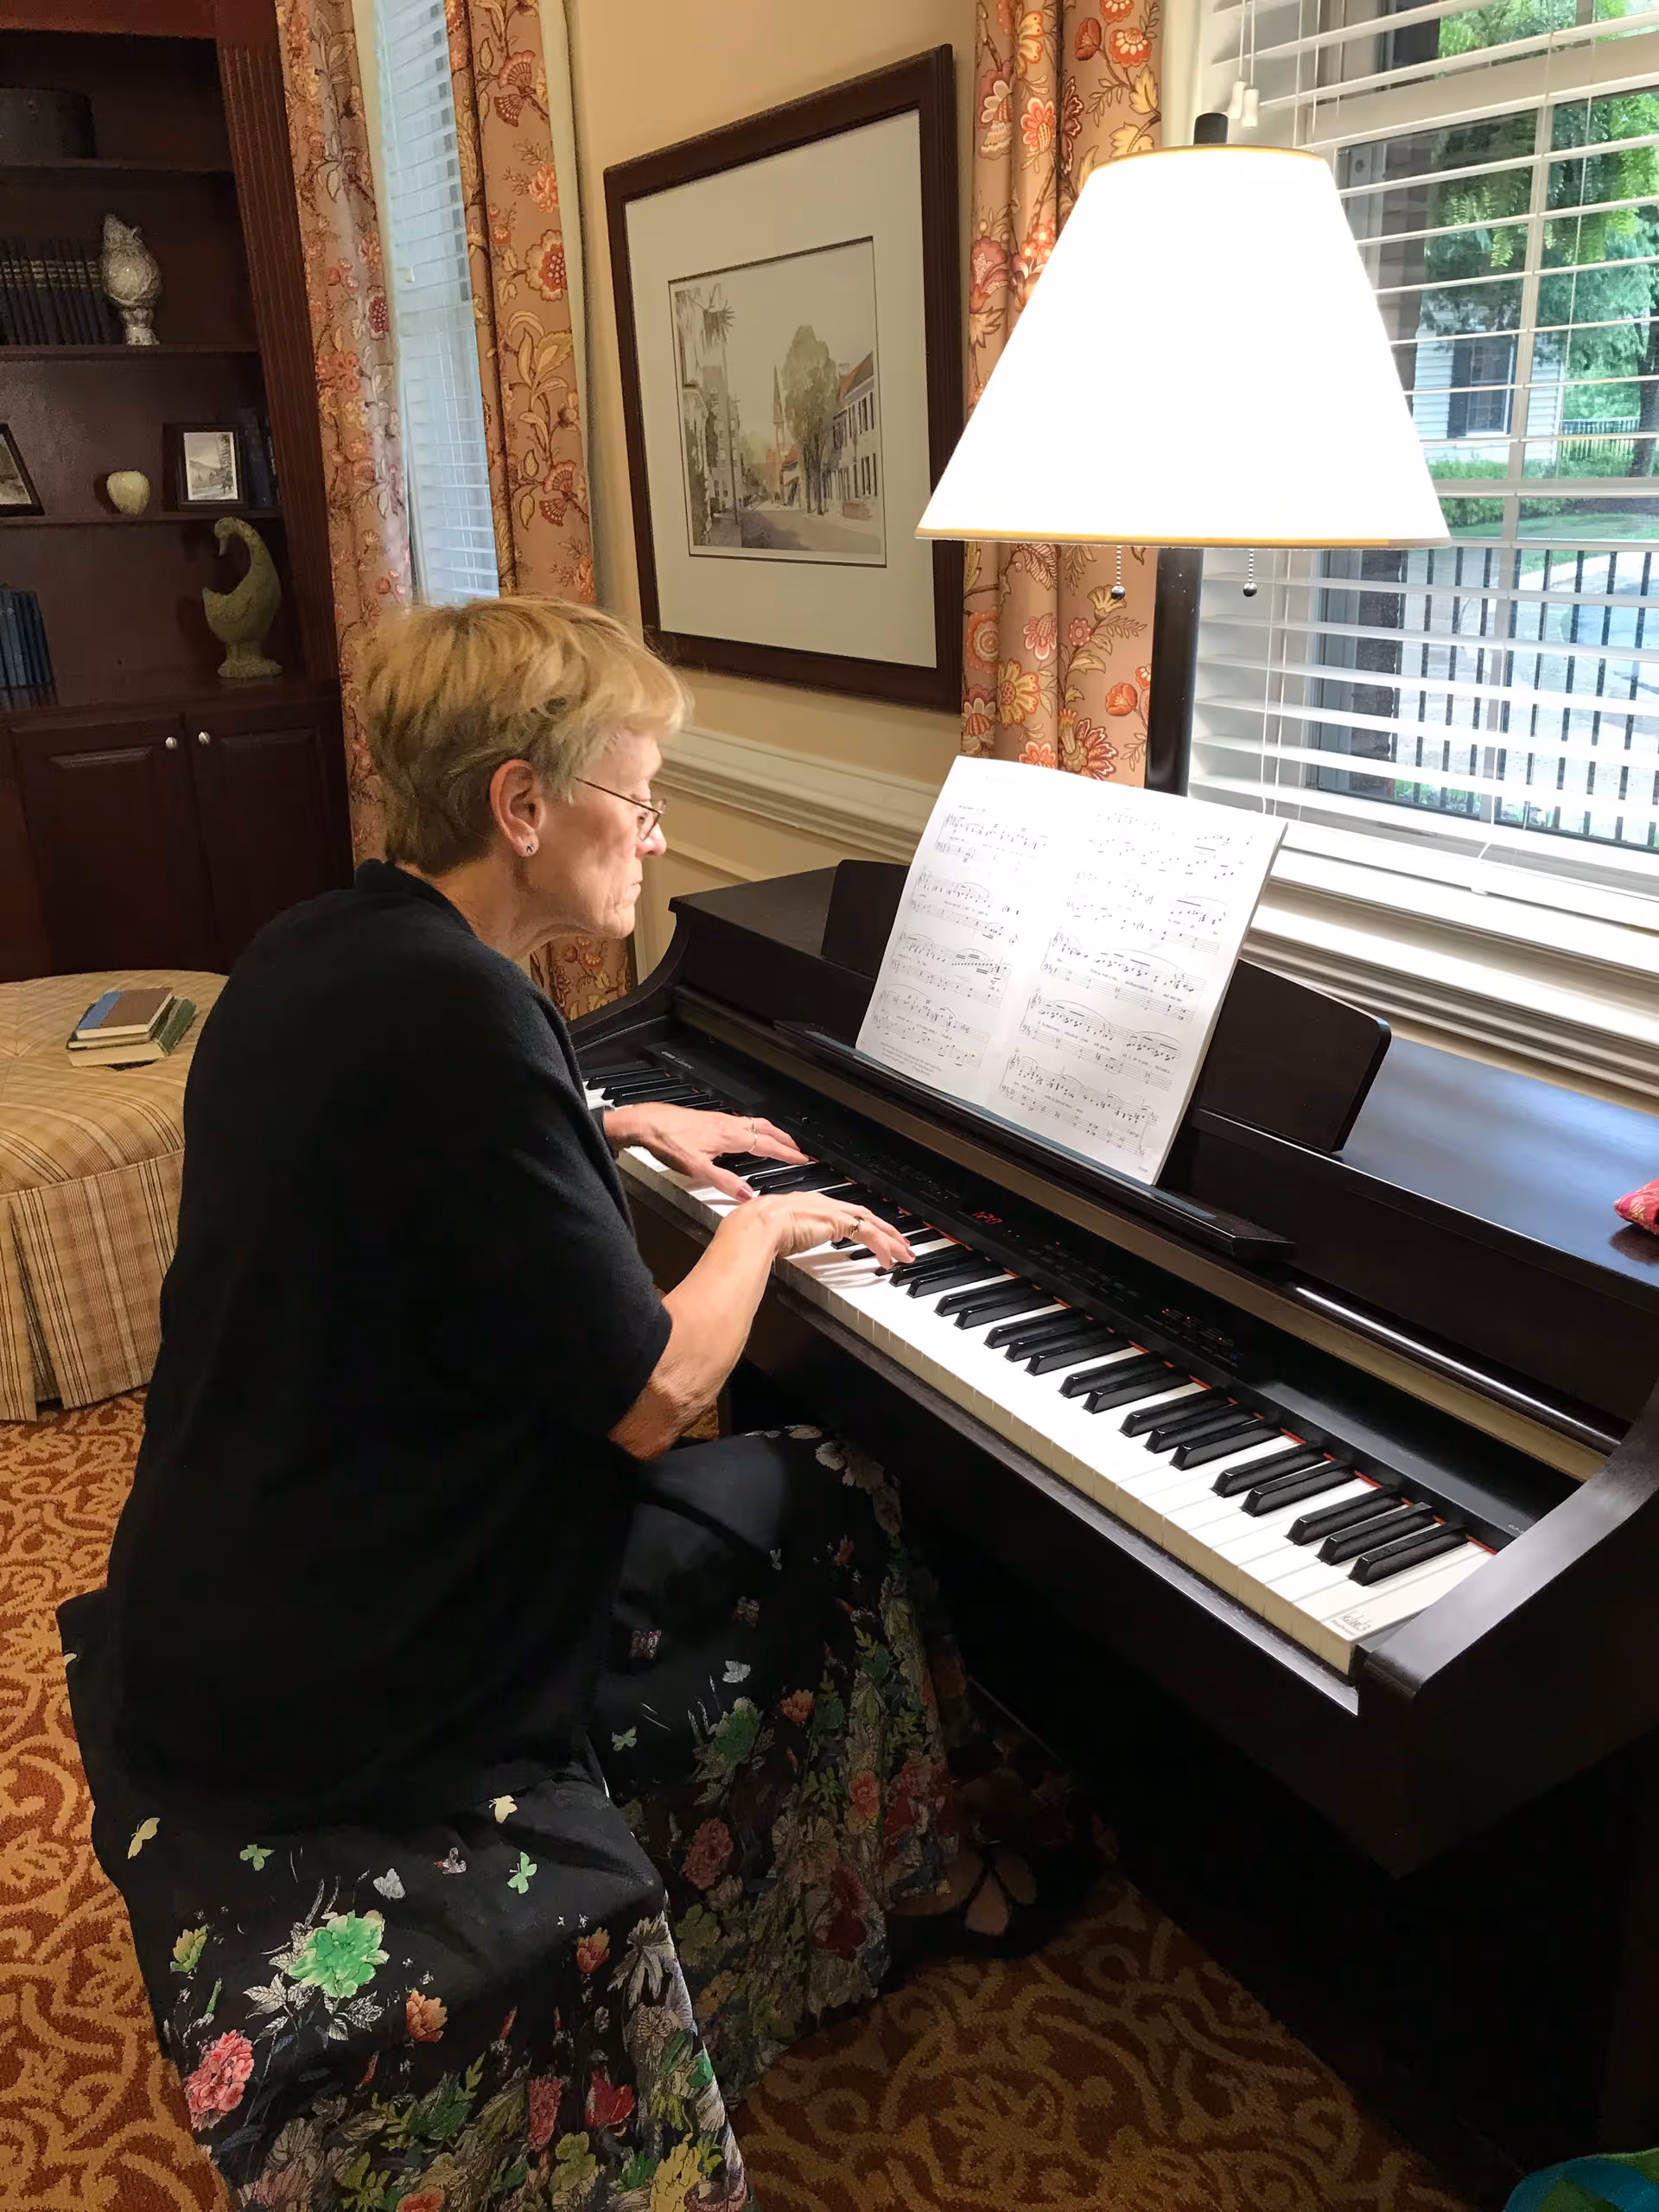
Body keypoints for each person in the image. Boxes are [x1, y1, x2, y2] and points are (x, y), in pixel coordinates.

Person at [60, 598, 1082, 2212]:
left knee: (793, 1482)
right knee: (834, 1496)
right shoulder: (465, 1014)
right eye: (639, 792)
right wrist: (755, 1224)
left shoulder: (327, 945)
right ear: (521, 807)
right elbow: (656, 1398)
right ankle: (916, 1873)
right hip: (360, 1660)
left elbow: (447, 1135)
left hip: (239, 1574)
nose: (659, 831)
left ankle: (895, 1826)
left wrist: (609, 1114)